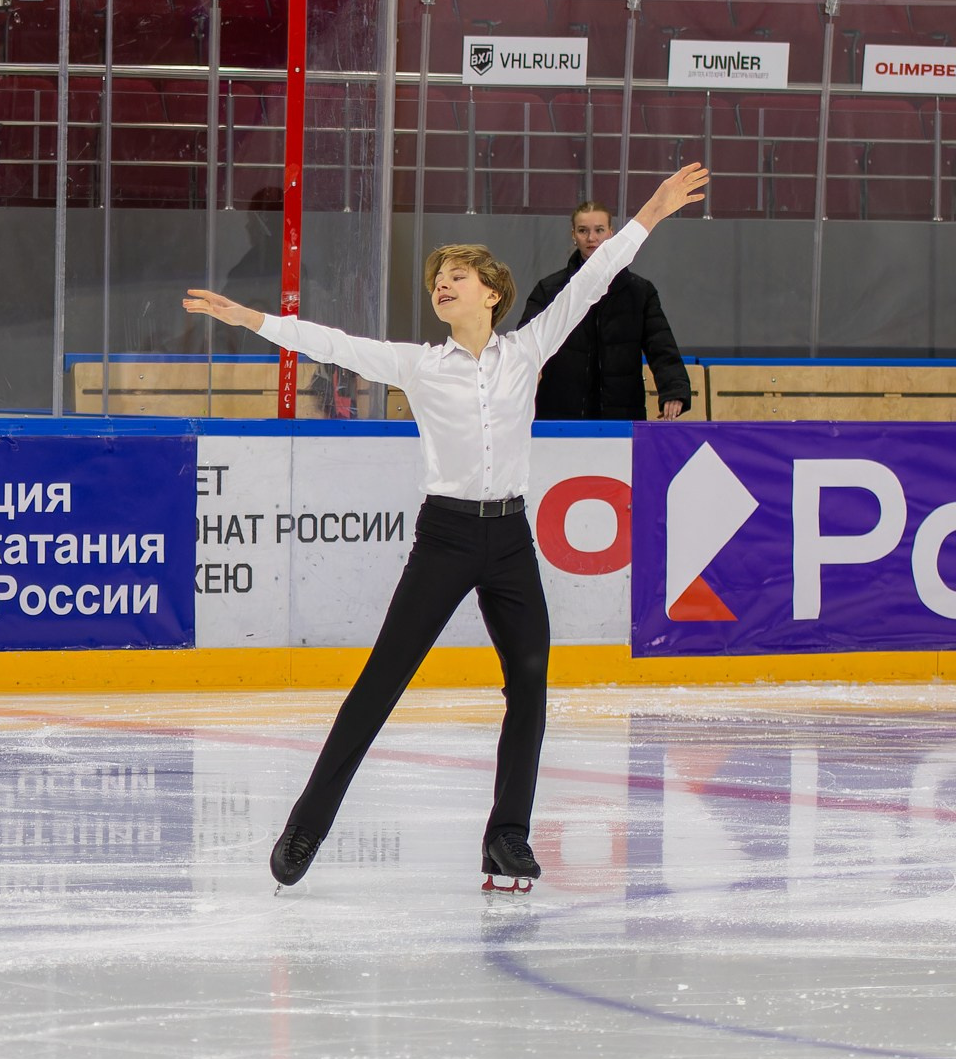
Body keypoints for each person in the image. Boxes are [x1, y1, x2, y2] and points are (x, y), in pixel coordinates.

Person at [182, 163, 709, 894]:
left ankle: (508, 837)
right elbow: (334, 343)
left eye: (457, 276)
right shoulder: (421, 366)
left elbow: (594, 280)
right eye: (437, 279)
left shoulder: (528, 350)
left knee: (530, 681)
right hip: (447, 537)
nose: (443, 285)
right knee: (381, 682)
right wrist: (253, 321)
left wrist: (649, 212)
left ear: (491, 293)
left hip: (511, 539)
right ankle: (307, 824)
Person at [516, 200, 693, 421]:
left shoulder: (639, 292)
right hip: (560, 412)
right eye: (583, 231)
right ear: (573, 235)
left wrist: (674, 390)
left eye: (599, 230)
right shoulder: (549, 289)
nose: (591, 238)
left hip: (620, 414)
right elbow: (527, 343)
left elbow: (661, 345)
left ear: (611, 233)